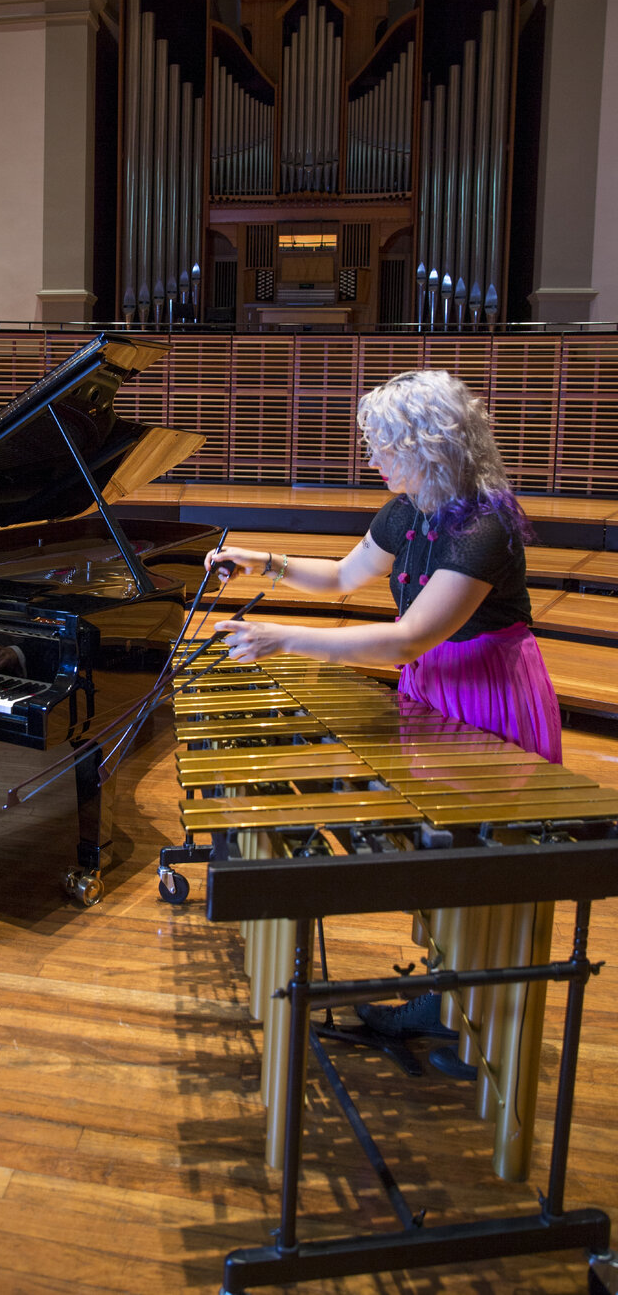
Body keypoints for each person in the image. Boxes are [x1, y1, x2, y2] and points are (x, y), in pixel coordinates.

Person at [206, 369, 562, 1059]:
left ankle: (468, 1013)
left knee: (477, 858)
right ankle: (449, 997)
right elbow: (343, 578)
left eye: (385, 446)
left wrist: (283, 638)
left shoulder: (482, 526)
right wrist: (263, 562)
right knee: (444, 857)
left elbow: (408, 638)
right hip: (433, 687)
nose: (372, 459)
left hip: (486, 690)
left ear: (429, 446)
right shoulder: (406, 511)